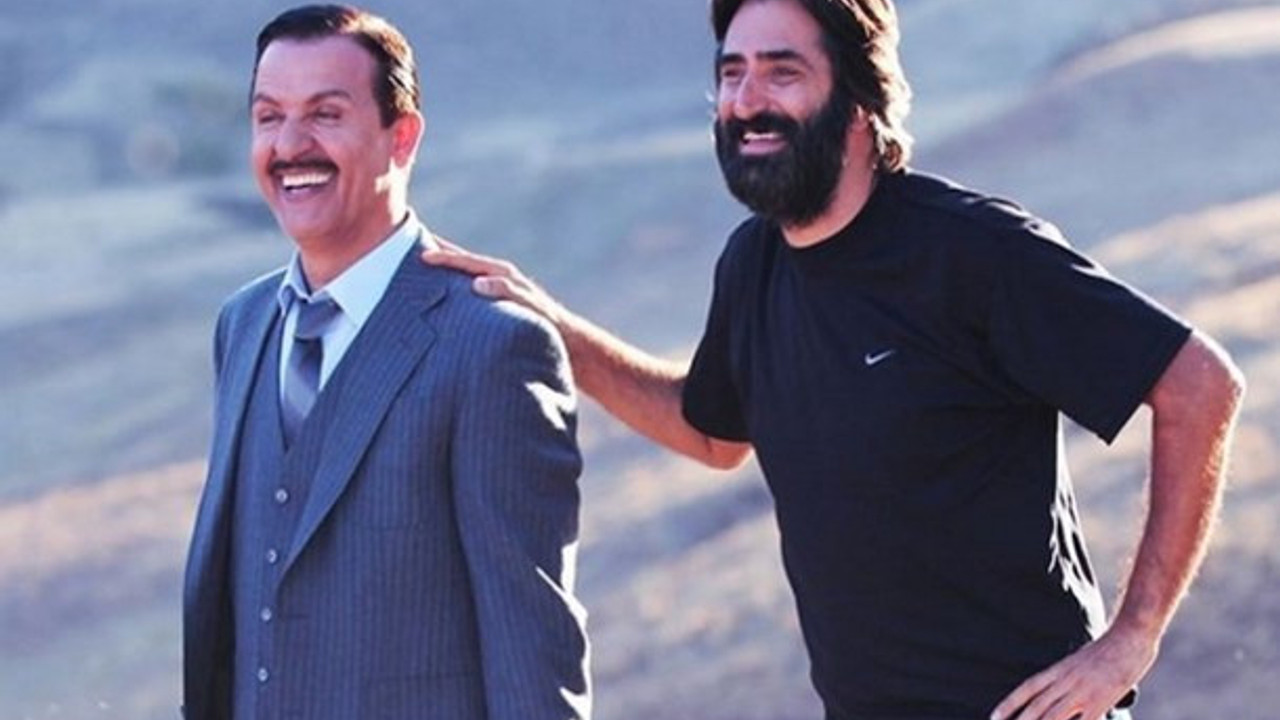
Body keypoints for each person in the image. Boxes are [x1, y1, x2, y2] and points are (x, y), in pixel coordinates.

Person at [423, 0, 1246, 718]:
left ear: (860, 100)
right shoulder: (753, 264)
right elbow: (713, 433)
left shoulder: (969, 253)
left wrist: (1133, 637)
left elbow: (1199, 384)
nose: (747, 101)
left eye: (782, 72)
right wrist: (556, 327)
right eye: (732, 73)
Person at [181, 5, 591, 719]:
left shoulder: (493, 346)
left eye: (326, 115)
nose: (290, 145)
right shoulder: (242, 325)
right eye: (269, 116)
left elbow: (532, 654)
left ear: (401, 138)